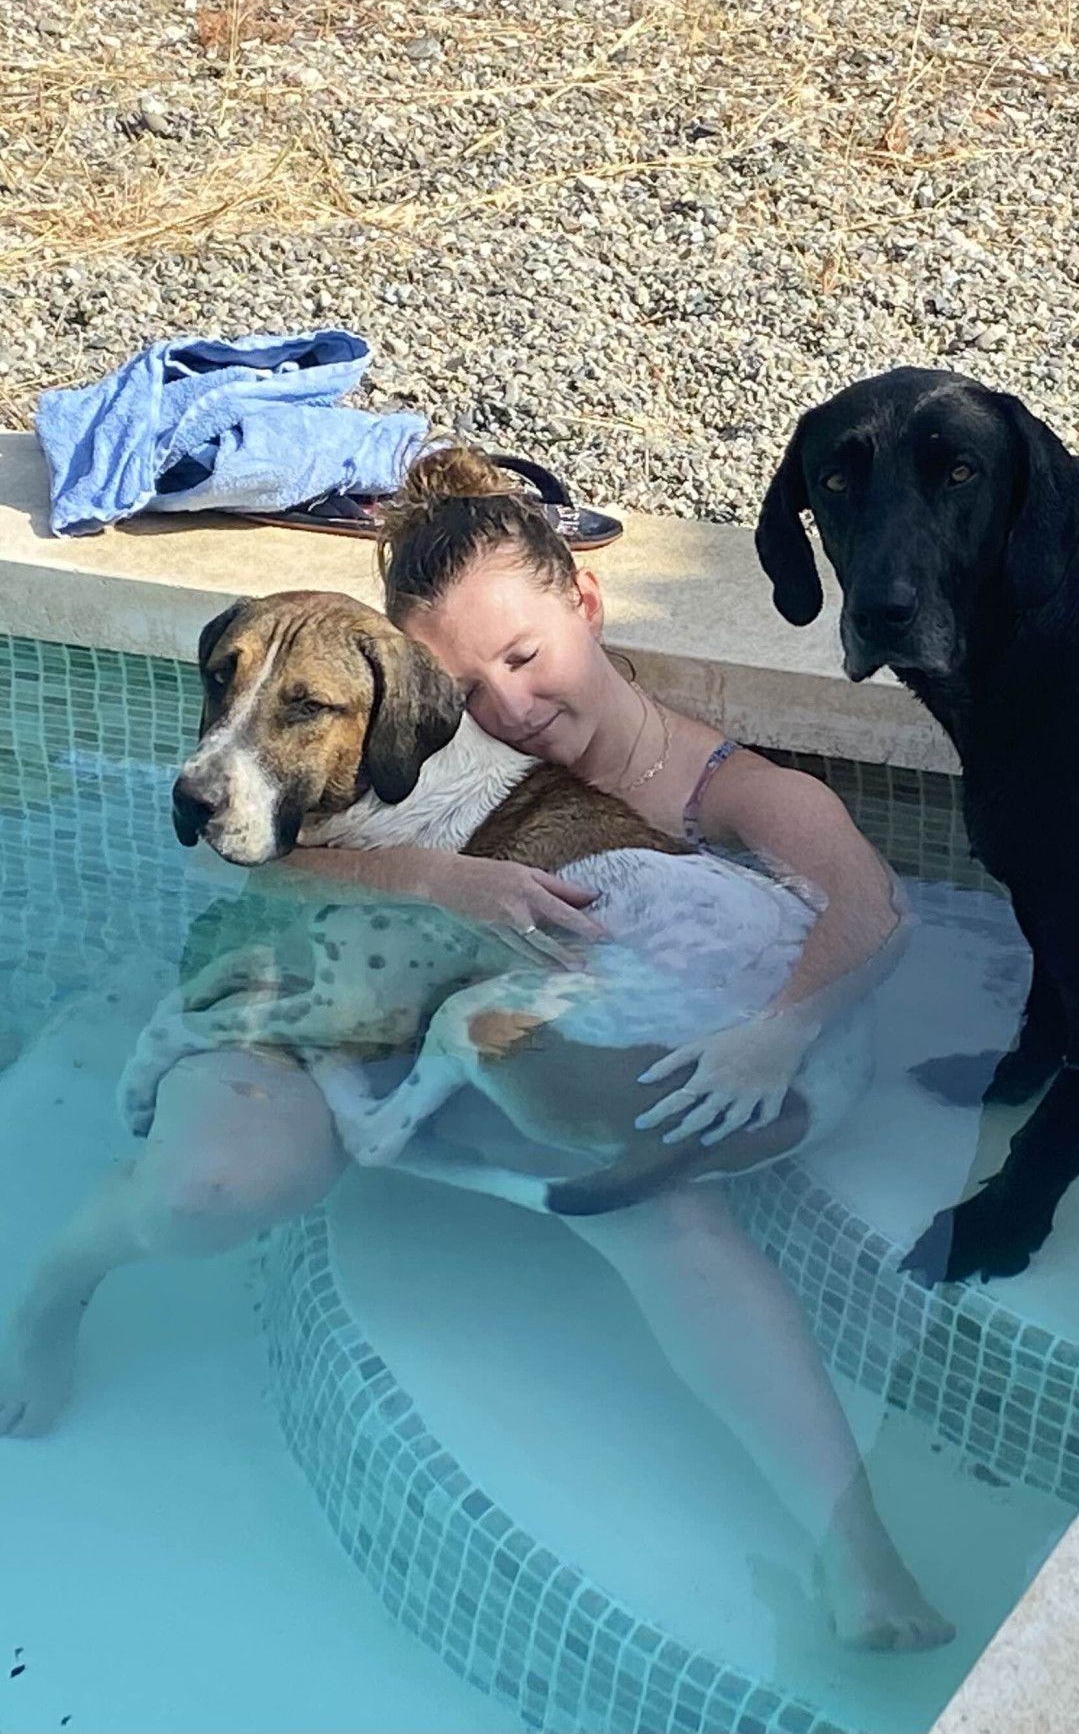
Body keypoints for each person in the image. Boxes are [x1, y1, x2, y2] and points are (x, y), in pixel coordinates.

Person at [0, 447, 952, 1653]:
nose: (501, 705)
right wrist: (429, 877)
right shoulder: (413, 763)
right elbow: (251, 858)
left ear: (587, 602)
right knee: (214, 1183)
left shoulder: (729, 792)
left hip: (516, 1027)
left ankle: (852, 1542)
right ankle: (56, 1285)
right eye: (459, 686)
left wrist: (783, 1032)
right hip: (363, 978)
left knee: (661, 1208)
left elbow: (874, 915)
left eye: (524, 655)